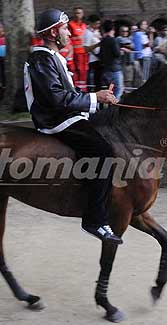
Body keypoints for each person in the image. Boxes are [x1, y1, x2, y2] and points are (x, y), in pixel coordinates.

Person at [23, 8, 123, 245]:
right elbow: (57, 99)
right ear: (53, 32)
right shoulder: (41, 58)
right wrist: (95, 98)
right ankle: (95, 220)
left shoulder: (52, 57)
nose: (69, 32)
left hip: (66, 115)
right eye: (65, 28)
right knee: (103, 151)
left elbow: (70, 94)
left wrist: (99, 101)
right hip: (55, 121)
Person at [100, 20, 124, 100]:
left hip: (106, 70)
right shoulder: (113, 40)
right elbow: (117, 54)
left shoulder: (103, 40)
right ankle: (114, 109)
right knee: (118, 91)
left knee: (109, 92)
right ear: (113, 29)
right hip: (115, 70)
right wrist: (122, 50)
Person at [68, 7, 88, 91]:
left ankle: (84, 89)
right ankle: (76, 89)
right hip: (76, 53)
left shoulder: (84, 26)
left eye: (79, 13)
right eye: (76, 13)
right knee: (77, 72)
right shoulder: (71, 25)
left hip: (84, 53)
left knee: (84, 72)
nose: (77, 15)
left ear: (82, 14)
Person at [83, 14, 102, 92]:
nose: (98, 25)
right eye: (96, 24)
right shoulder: (88, 33)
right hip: (92, 61)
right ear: (91, 23)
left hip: (97, 60)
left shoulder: (95, 32)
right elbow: (86, 48)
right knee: (93, 82)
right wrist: (98, 45)